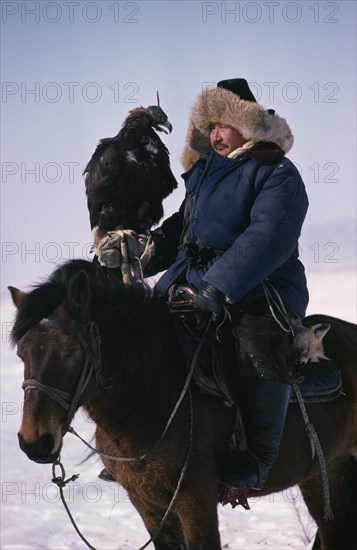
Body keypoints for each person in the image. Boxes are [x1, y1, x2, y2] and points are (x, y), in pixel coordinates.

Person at [144, 78, 309, 492]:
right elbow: (182, 228)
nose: (215, 134)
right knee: (142, 338)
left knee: (256, 341)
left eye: (224, 124)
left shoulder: (277, 172)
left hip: (261, 289)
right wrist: (140, 251)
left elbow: (268, 237)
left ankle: (259, 455)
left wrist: (219, 286)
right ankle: (146, 440)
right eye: (210, 126)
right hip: (191, 285)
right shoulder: (206, 176)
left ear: (248, 124)